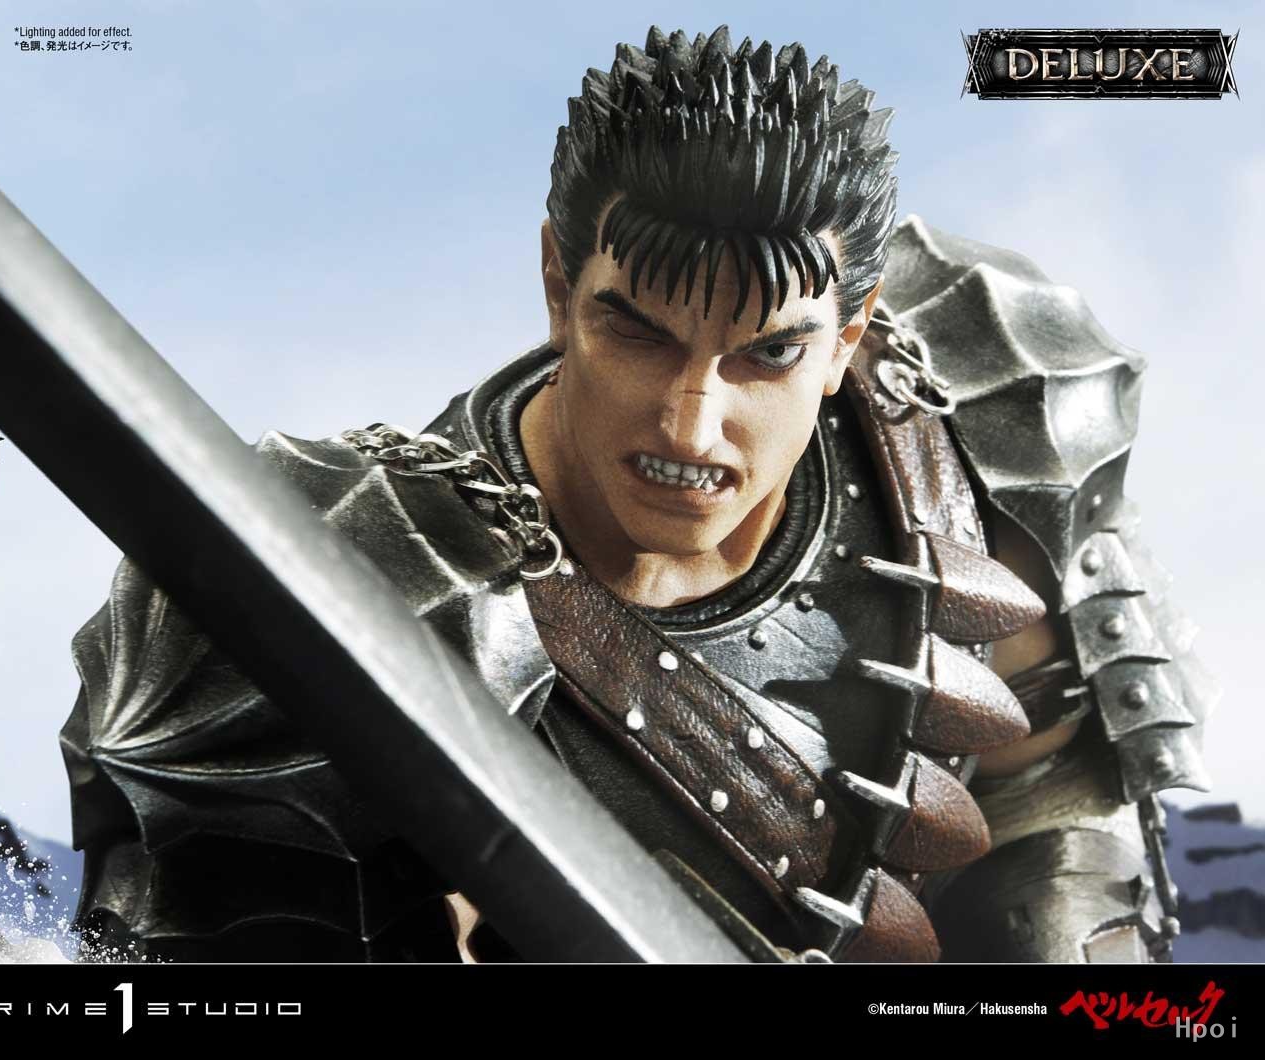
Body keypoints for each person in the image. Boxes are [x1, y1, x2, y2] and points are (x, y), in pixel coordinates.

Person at [59, 26, 1209, 963]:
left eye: (768, 353)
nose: (691, 425)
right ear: (558, 283)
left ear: (851, 335)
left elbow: (1058, 800)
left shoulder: (968, 403)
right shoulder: (361, 587)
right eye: (639, 331)